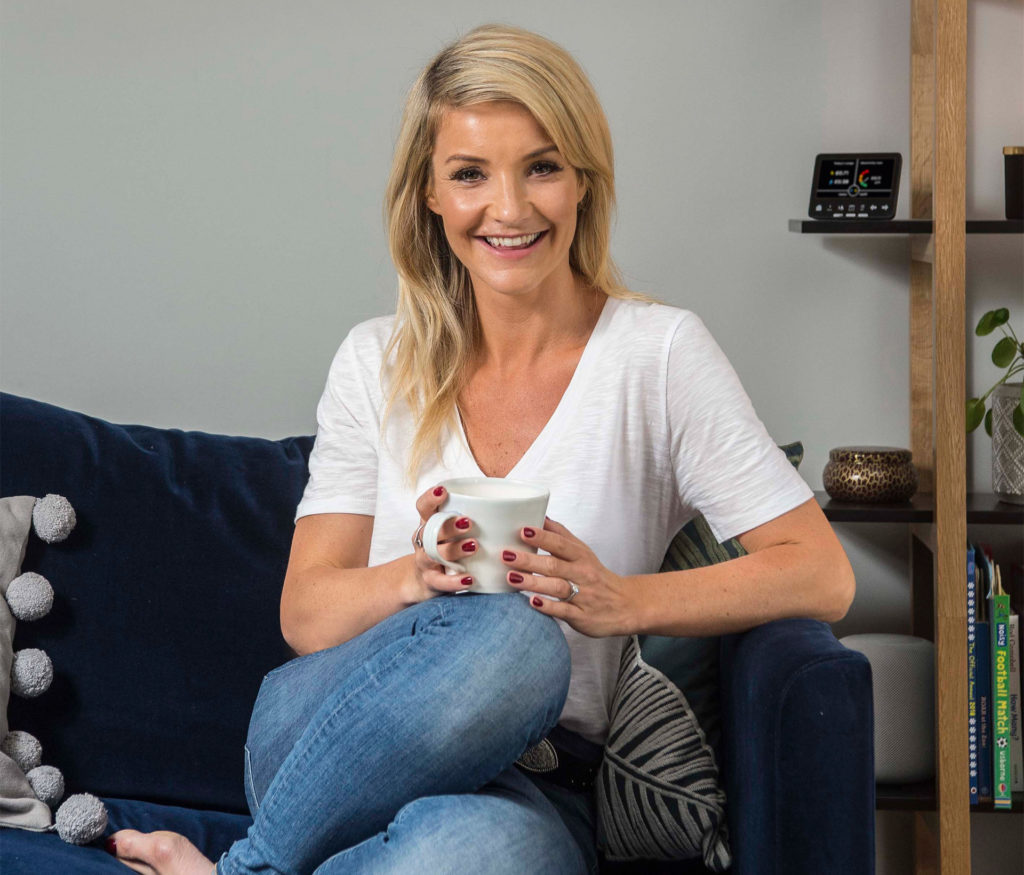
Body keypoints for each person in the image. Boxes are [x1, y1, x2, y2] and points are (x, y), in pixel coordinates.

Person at [107, 23, 854, 875]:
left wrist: (623, 600)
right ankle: (256, 865)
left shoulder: (661, 355)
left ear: (582, 181)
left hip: (541, 785)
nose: (510, 208)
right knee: (512, 632)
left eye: (541, 166)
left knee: (475, 853)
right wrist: (412, 579)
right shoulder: (373, 360)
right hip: (332, 737)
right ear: (429, 194)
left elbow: (820, 573)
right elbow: (305, 614)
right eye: (470, 174)